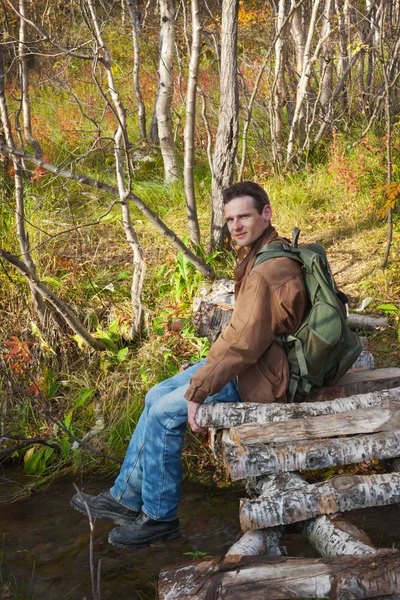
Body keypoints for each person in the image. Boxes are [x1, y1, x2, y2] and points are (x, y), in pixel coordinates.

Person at [71, 181, 308, 549]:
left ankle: (160, 517)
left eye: (244, 216)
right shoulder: (262, 253)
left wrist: (199, 390)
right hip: (256, 363)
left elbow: (243, 343)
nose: (236, 225)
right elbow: (241, 337)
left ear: (266, 214)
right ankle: (125, 498)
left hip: (264, 378)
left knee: (167, 412)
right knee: (155, 394)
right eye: (230, 219)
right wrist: (205, 371)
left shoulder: (267, 269)